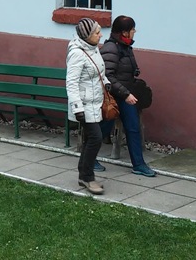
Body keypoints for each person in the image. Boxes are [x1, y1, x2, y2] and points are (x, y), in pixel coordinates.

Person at [100, 15, 156, 177]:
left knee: (133, 128)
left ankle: (138, 164)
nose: (134, 32)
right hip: (114, 97)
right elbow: (108, 76)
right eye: (132, 29)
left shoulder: (126, 47)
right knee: (103, 129)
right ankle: (88, 160)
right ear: (124, 32)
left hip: (126, 95)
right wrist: (125, 94)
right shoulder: (111, 48)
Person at [66, 17, 106, 195]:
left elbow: (99, 73)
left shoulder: (93, 48)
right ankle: (88, 177)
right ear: (87, 35)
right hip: (83, 105)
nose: (100, 35)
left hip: (95, 102)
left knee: (92, 139)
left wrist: (107, 83)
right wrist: (77, 108)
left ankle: (83, 174)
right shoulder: (77, 53)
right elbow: (71, 83)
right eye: (97, 32)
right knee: (96, 138)